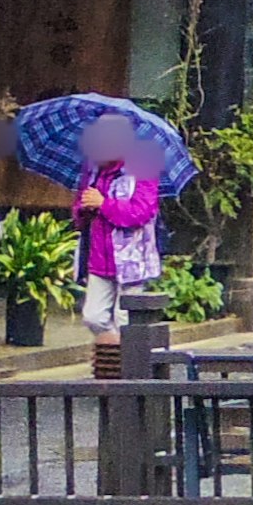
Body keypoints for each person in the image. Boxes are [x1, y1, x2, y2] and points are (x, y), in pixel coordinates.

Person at [68, 113, 163, 340]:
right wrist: (85, 208)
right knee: (93, 316)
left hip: (131, 261)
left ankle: (128, 368)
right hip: (98, 258)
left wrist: (104, 204)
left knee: (126, 320)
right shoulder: (92, 170)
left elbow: (141, 212)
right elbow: (79, 210)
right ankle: (114, 353)